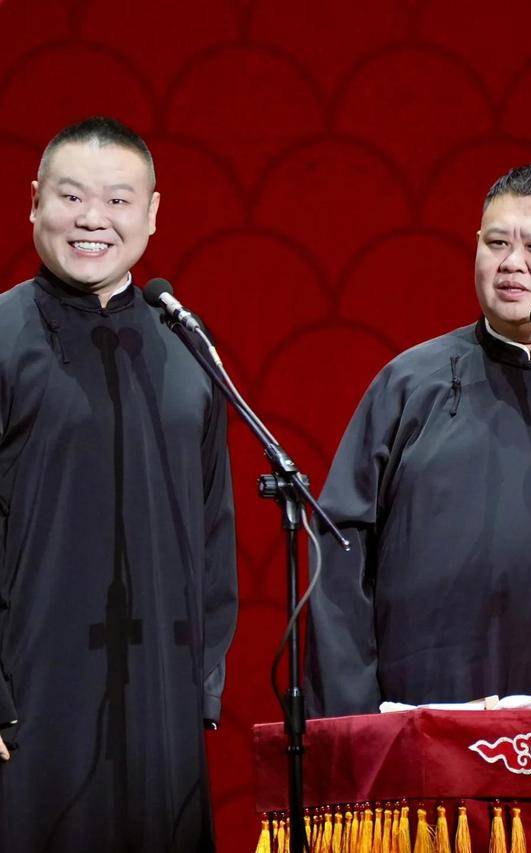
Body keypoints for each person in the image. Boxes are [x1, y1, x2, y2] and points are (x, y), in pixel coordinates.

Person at [304, 164, 531, 718]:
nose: (512, 263)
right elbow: (339, 555)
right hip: (436, 722)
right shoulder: (411, 385)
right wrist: (352, 722)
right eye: (497, 243)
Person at [0, 117, 237, 852]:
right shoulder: (3, 336)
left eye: (117, 201)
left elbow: (213, 527)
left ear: (152, 213)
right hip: (28, 697)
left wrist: (200, 680)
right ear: (34, 202)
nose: (92, 219)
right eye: (71, 197)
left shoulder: (185, 344)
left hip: (161, 695)